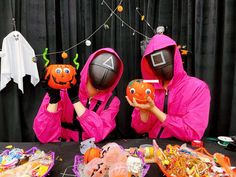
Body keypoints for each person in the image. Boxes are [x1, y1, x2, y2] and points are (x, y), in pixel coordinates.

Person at [126, 34, 211, 142]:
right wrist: (143, 111)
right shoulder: (148, 88)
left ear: (174, 57)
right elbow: (139, 129)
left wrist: (154, 110)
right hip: (154, 148)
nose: (162, 69)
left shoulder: (198, 88)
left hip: (184, 153)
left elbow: (193, 133)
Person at [34, 48, 123, 143]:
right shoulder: (62, 90)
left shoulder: (112, 102)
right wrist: (54, 100)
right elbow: (44, 136)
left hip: (91, 151)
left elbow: (99, 134)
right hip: (62, 147)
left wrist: (76, 101)